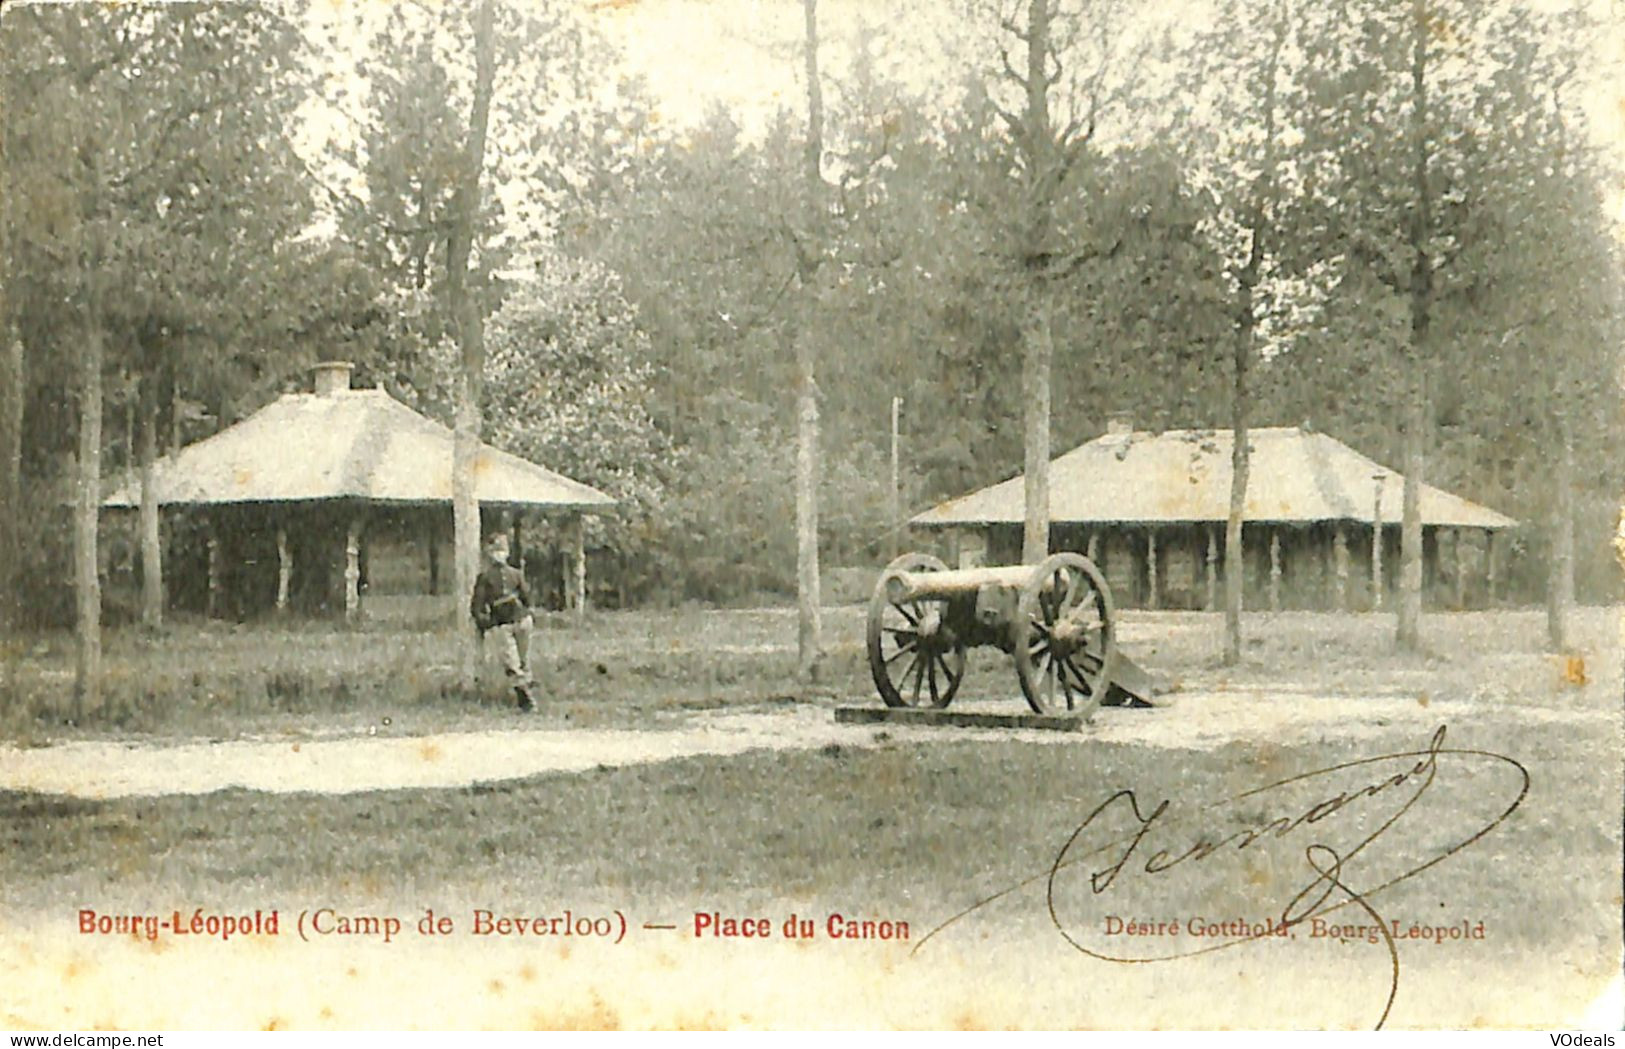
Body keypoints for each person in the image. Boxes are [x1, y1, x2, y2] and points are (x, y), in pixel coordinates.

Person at [470, 532, 536, 712]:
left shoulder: (516, 574)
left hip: (522, 621)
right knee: (511, 663)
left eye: (502, 550)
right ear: (490, 554)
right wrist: (487, 623)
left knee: (523, 661)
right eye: (495, 551)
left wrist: (529, 614)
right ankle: (525, 698)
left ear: (507, 553)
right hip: (502, 625)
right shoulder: (485, 578)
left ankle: (526, 691)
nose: (499, 554)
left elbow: (527, 598)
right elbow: (477, 606)